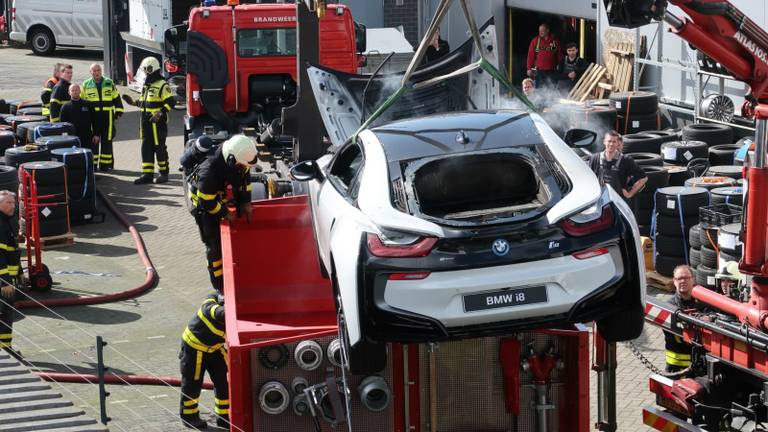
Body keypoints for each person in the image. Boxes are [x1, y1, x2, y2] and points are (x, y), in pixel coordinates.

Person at [188, 135, 255, 292]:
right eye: (241, 166)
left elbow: (245, 181)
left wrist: (245, 202)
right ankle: (220, 287)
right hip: (205, 209)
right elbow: (207, 202)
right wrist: (225, 213)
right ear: (231, 160)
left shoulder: (240, 162)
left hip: (218, 197)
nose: (244, 169)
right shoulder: (208, 171)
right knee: (215, 247)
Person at [122, 57, 175, 184]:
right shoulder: (147, 84)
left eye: (146, 70)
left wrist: (161, 113)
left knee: (159, 147)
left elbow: (171, 101)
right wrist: (134, 102)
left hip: (157, 123)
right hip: (145, 121)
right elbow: (145, 103)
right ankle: (147, 175)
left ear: (151, 69)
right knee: (146, 147)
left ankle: (163, 173)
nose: (145, 73)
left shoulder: (162, 85)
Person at [180, 292, 228, 430]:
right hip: (194, 349)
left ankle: (224, 417)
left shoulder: (218, 305)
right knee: (192, 384)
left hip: (215, 348)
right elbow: (211, 307)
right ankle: (189, 417)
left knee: (224, 381)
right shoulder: (211, 306)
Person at [664, 265, 705, 373]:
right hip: (676, 367)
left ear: (693, 279)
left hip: (701, 366)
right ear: (674, 281)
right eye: (679, 278)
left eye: (686, 278)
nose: (682, 281)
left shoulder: (703, 304)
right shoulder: (669, 306)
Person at [82, 63, 124, 171]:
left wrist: (118, 110)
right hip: (93, 117)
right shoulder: (86, 84)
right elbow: (82, 101)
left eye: (98, 70)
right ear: (90, 72)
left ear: (101, 71)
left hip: (107, 116)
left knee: (107, 140)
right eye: (94, 71)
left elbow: (116, 97)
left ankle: (106, 165)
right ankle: (93, 165)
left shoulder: (109, 82)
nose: (97, 73)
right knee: (93, 141)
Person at [588, 131, 648, 200]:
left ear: (618, 144)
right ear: (604, 142)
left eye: (614, 142)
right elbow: (589, 180)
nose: (611, 144)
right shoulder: (595, 158)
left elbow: (644, 178)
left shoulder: (626, 160)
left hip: (619, 202)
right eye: (609, 141)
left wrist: (630, 194)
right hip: (600, 200)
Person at [0, 191, 21, 361]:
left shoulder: (5, 222)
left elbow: (11, 252)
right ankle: (5, 351)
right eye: (8, 202)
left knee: (7, 311)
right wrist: (5, 279)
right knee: (6, 311)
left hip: (7, 278)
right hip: (3, 280)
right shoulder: (0, 224)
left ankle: (5, 348)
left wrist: (19, 273)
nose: (13, 206)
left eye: (13, 203)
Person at [59, 84, 99, 161]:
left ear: (80, 91)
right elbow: (62, 124)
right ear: (69, 92)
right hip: (72, 138)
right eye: (72, 90)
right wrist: (64, 138)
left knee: (88, 157)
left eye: (76, 90)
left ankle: (90, 170)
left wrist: (96, 134)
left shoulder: (88, 104)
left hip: (87, 136)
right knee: (75, 158)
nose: (75, 92)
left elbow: (95, 120)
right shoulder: (65, 107)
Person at [526, 23, 562, 88]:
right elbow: (530, 56)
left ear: (547, 30)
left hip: (552, 71)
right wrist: (529, 68)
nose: (540, 32)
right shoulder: (535, 41)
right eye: (539, 31)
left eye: (542, 30)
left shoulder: (555, 41)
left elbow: (559, 56)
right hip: (539, 71)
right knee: (539, 89)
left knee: (552, 88)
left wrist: (561, 68)